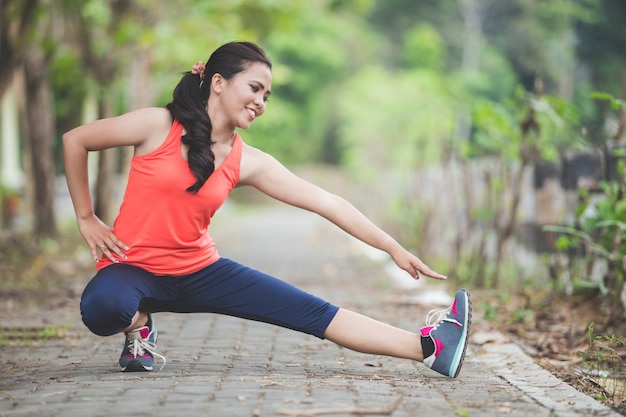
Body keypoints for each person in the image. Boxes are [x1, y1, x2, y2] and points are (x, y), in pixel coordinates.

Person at [62, 41, 471, 378]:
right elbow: (75, 140)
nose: (260, 101)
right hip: (132, 270)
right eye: (254, 88)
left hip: (201, 272)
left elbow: (327, 202)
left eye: (266, 95)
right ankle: (141, 325)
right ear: (218, 82)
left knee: (311, 312)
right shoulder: (156, 125)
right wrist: (86, 217)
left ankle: (432, 347)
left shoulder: (249, 161)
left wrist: (391, 247)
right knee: (103, 309)